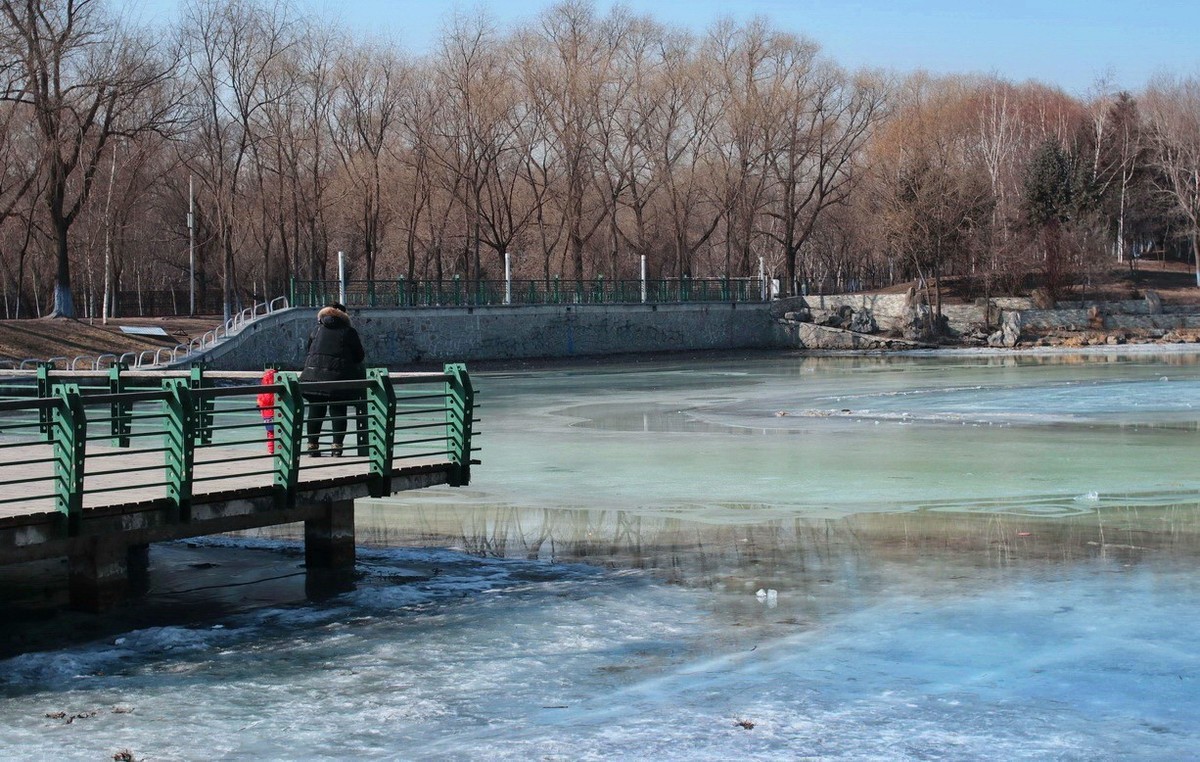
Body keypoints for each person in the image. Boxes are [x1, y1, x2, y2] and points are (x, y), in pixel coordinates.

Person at [300, 302, 366, 456]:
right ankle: (337, 448)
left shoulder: (316, 330)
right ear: (344, 316)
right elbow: (359, 356)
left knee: (315, 411)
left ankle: (312, 447)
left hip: (312, 378)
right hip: (338, 379)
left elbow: (309, 350)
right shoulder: (349, 332)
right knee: (338, 411)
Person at [257, 367, 277, 454]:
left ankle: (271, 450)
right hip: (277, 414)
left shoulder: (263, 391)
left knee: (270, 433)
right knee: (280, 432)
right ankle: (280, 449)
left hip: (266, 415)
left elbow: (259, 402)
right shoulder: (277, 391)